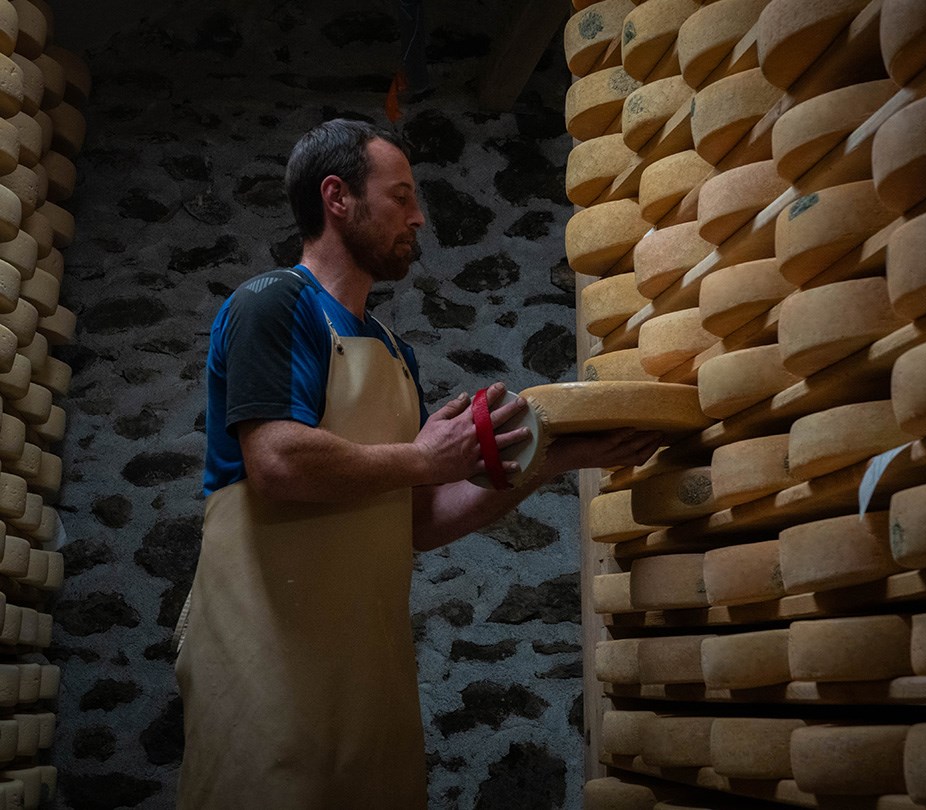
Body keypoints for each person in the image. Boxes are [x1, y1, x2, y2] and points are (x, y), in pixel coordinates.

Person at [174, 118, 662, 809]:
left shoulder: (393, 351)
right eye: (400, 196)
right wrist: (423, 455)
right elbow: (278, 461)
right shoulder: (272, 304)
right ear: (337, 197)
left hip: (368, 669)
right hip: (267, 659)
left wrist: (553, 462)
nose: (419, 215)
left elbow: (423, 520)